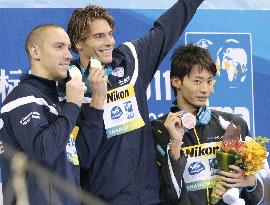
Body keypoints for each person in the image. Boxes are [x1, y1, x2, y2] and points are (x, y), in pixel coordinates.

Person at [60, 0, 205, 204]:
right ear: (78, 42)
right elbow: (79, 158)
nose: (109, 42)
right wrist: (96, 101)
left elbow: (167, 27)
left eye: (110, 34)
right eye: (99, 36)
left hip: (148, 198)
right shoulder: (68, 86)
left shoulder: (131, 60)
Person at [0, 24, 107, 205]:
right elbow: (43, 153)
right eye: (59, 47)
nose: (68, 55)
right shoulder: (23, 96)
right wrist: (73, 104)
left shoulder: (56, 104)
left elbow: (83, 158)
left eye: (69, 48)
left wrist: (97, 100)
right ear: (35, 51)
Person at [151, 44, 264, 205]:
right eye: (197, 81)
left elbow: (258, 198)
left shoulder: (234, 124)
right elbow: (168, 196)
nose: (206, 89)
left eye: (209, 81)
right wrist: (175, 143)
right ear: (176, 82)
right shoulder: (158, 130)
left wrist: (250, 184)